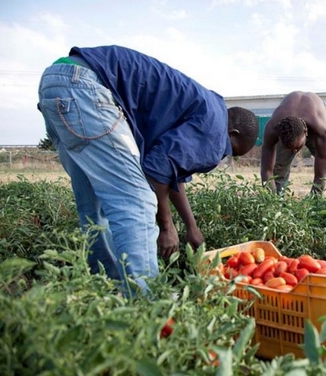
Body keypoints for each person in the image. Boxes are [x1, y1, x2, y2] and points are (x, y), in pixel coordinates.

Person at [37, 45, 258, 294]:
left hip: (58, 81)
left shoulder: (207, 109)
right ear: (232, 133)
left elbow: (172, 171)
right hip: (87, 88)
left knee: (94, 206)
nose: (222, 155)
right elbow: (157, 171)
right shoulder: (215, 131)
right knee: (138, 202)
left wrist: (191, 226)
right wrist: (167, 227)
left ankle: (107, 290)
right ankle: (146, 305)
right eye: (229, 150)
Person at [260, 91, 326, 195]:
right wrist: (270, 201)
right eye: (289, 148)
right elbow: (267, 171)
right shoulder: (273, 129)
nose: (294, 152)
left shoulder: (322, 132)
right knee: (278, 170)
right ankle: (277, 203)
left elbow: (320, 176)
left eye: (297, 148)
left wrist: (314, 203)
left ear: (306, 133)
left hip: (317, 113)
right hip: (288, 118)